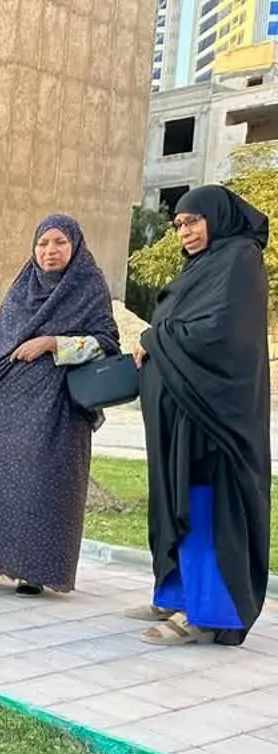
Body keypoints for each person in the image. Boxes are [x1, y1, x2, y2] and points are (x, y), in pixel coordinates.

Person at [0, 215, 120, 597]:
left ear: (74, 245)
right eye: (42, 244)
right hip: (4, 394)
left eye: (58, 243)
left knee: (40, 478)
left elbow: (106, 342)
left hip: (54, 404)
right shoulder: (23, 286)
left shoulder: (89, 284)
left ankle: (33, 569)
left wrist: (53, 342)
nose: (50, 251)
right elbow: (0, 341)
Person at [131, 186, 272, 647]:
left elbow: (219, 335)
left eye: (193, 221)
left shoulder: (239, 260)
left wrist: (154, 340)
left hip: (215, 422)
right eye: (178, 226)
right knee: (181, 500)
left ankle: (208, 613)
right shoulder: (208, 264)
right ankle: (176, 595)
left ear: (217, 216)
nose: (185, 232)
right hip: (185, 417)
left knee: (207, 506)